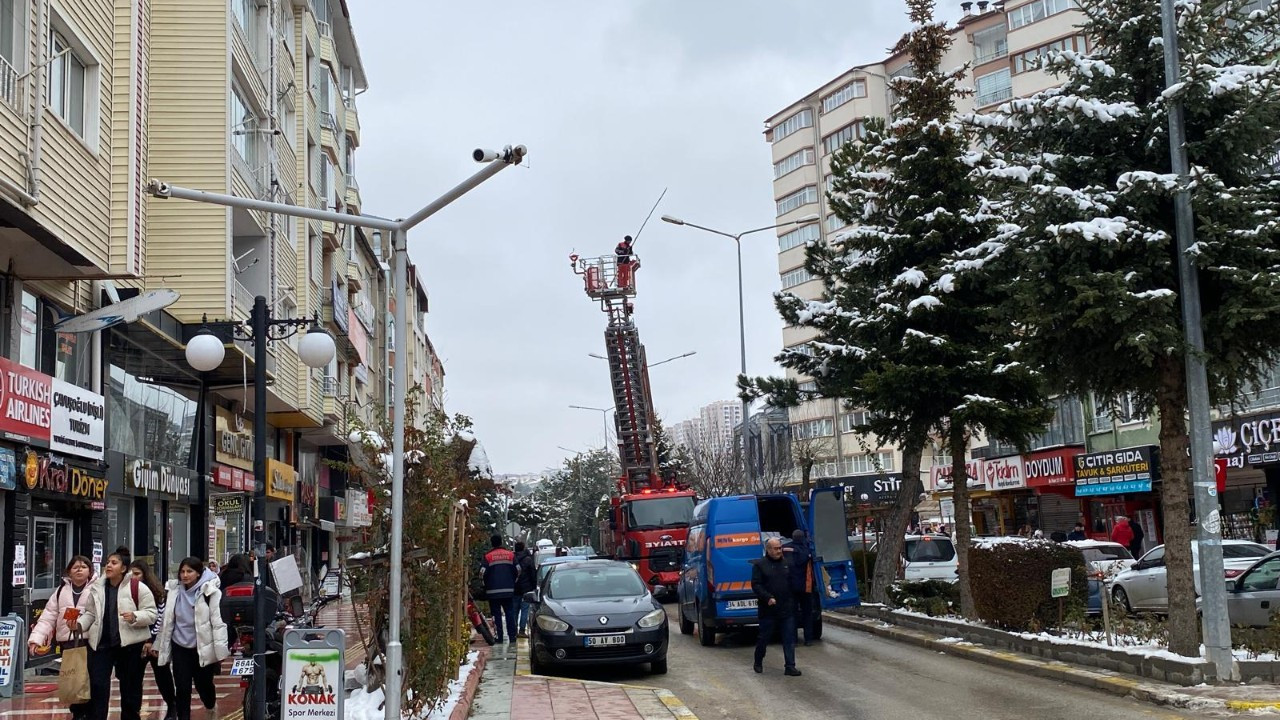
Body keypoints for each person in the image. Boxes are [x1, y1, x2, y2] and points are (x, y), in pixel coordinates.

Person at [76, 551, 158, 720]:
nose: (109, 566)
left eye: (114, 563)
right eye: (108, 562)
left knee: (129, 687)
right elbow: (91, 613)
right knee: (98, 685)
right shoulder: (98, 588)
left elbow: (152, 614)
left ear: (124, 568)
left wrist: (135, 616)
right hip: (101, 644)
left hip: (129, 645)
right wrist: (79, 624)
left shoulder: (137, 587)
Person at [155, 557, 229, 720]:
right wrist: (158, 644)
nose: (185, 575)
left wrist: (220, 652)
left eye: (189, 571)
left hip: (202, 647)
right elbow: (167, 621)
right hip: (180, 646)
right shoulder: (174, 591)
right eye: (182, 571)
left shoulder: (210, 592)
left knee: (204, 686)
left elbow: (217, 623)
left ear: (198, 573)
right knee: (182, 688)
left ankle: (210, 706)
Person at [28, 555, 95, 720]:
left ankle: (89, 711)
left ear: (90, 571)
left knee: (90, 678)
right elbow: (48, 616)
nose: (79, 570)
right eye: (75, 567)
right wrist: (36, 639)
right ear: (69, 572)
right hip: (68, 642)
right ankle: (77, 712)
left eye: (83, 567)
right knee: (73, 677)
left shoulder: (96, 589)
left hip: (90, 641)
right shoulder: (60, 591)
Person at [131, 560, 175, 720]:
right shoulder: (126, 591)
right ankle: (134, 711)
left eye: (137, 574)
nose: (133, 578)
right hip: (135, 642)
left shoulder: (156, 593)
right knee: (134, 679)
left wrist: (151, 640)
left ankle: (172, 706)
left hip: (155, 641)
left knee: (162, 676)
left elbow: (159, 618)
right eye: (131, 574)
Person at [751, 537, 800, 677]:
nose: (779, 551)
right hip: (769, 610)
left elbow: (792, 583)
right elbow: (756, 585)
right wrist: (768, 597)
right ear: (768, 550)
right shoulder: (760, 565)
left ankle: (790, 666)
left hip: (786, 608)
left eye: (780, 548)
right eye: (776, 548)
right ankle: (758, 661)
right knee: (764, 638)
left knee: (789, 638)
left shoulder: (786, 563)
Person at [480, 535, 517, 643]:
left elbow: (481, 573)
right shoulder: (510, 555)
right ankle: (512, 636)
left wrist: (485, 585)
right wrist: (513, 581)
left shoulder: (488, 557)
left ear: (492, 543)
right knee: (510, 613)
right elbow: (518, 570)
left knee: (496, 615)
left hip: (493, 592)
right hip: (508, 591)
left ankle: (499, 637)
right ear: (501, 542)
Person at [783, 529, 815, 647]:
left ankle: (793, 640)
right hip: (805, 587)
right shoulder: (807, 550)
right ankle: (808, 639)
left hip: (790, 587)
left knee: (792, 614)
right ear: (802, 538)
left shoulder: (784, 548)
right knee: (807, 613)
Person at [512, 541, 536, 639]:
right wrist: (533, 587)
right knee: (525, 610)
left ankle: (513, 630)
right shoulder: (528, 560)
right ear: (523, 548)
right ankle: (522, 630)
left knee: (514, 611)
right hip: (526, 589)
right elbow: (533, 575)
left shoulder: (512, 560)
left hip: (515, 589)